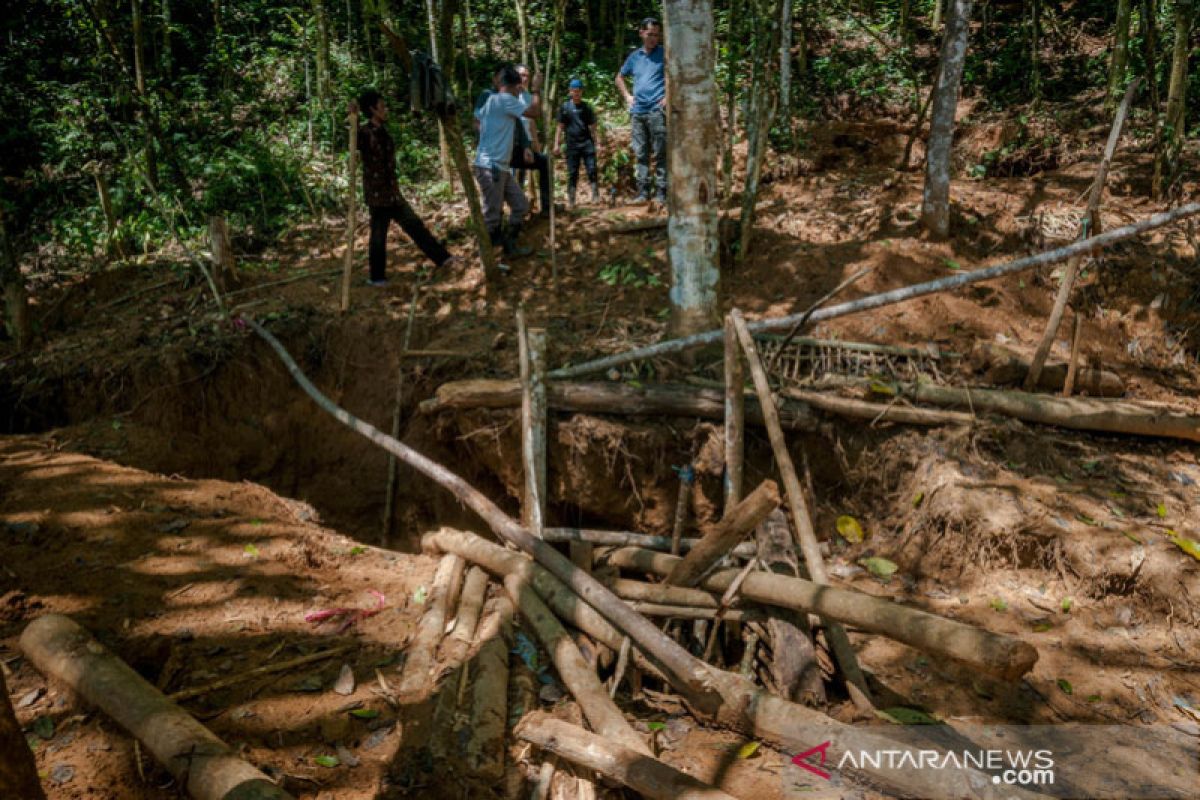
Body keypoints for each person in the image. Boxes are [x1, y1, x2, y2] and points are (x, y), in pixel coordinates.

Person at [352, 89, 460, 286]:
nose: (386, 110)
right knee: (378, 236)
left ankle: (442, 258)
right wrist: (353, 119)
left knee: (415, 227)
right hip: (378, 195)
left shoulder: (383, 131)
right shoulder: (365, 134)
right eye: (382, 107)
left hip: (392, 193)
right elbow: (354, 141)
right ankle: (377, 277)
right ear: (372, 110)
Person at [474, 65, 542, 257]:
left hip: (498, 165)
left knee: (520, 205)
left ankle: (509, 246)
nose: (519, 91)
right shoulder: (504, 100)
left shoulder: (491, 100)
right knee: (492, 215)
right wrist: (536, 88)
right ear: (515, 86)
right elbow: (534, 112)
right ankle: (488, 258)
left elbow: (479, 122)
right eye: (518, 87)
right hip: (491, 166)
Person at [616, 18, 667, 205]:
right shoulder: (634, 57)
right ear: (641, 33)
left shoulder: (664, 53)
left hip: (657, 110)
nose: (653, 38)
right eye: (650, 34)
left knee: (661, 152)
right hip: (638, 112)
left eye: (656, 34)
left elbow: (675, 74)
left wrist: (668, 96)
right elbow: (619, 78)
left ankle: (662, 193)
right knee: (641, 152)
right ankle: (643, 192)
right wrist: (627, 97)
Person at [511, 64, 552, 217]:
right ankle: (516, 214)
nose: (525, 78)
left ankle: (546, 208)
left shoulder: (528, 97)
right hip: (511, 147)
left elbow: (532, 121)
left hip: (526, 145)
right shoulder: (509, 95)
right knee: (516, 179)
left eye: (527, 75)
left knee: (544, 163)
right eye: (522, 75)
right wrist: (536, 90)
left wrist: (536, 144)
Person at [553, 78, 600, 208]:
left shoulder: (586, 107)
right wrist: (556, 144)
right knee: (572, 172)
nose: (577, 93)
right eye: (574, 91)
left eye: (579, 91)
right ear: (570, 91)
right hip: (572, 145)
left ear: (582, 92)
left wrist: (598, 143)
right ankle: (572, 200)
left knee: (592, 169)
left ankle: (595, 196)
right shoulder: (565, 107)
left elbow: (593, 127)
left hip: (587, 144)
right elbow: (560, 127)